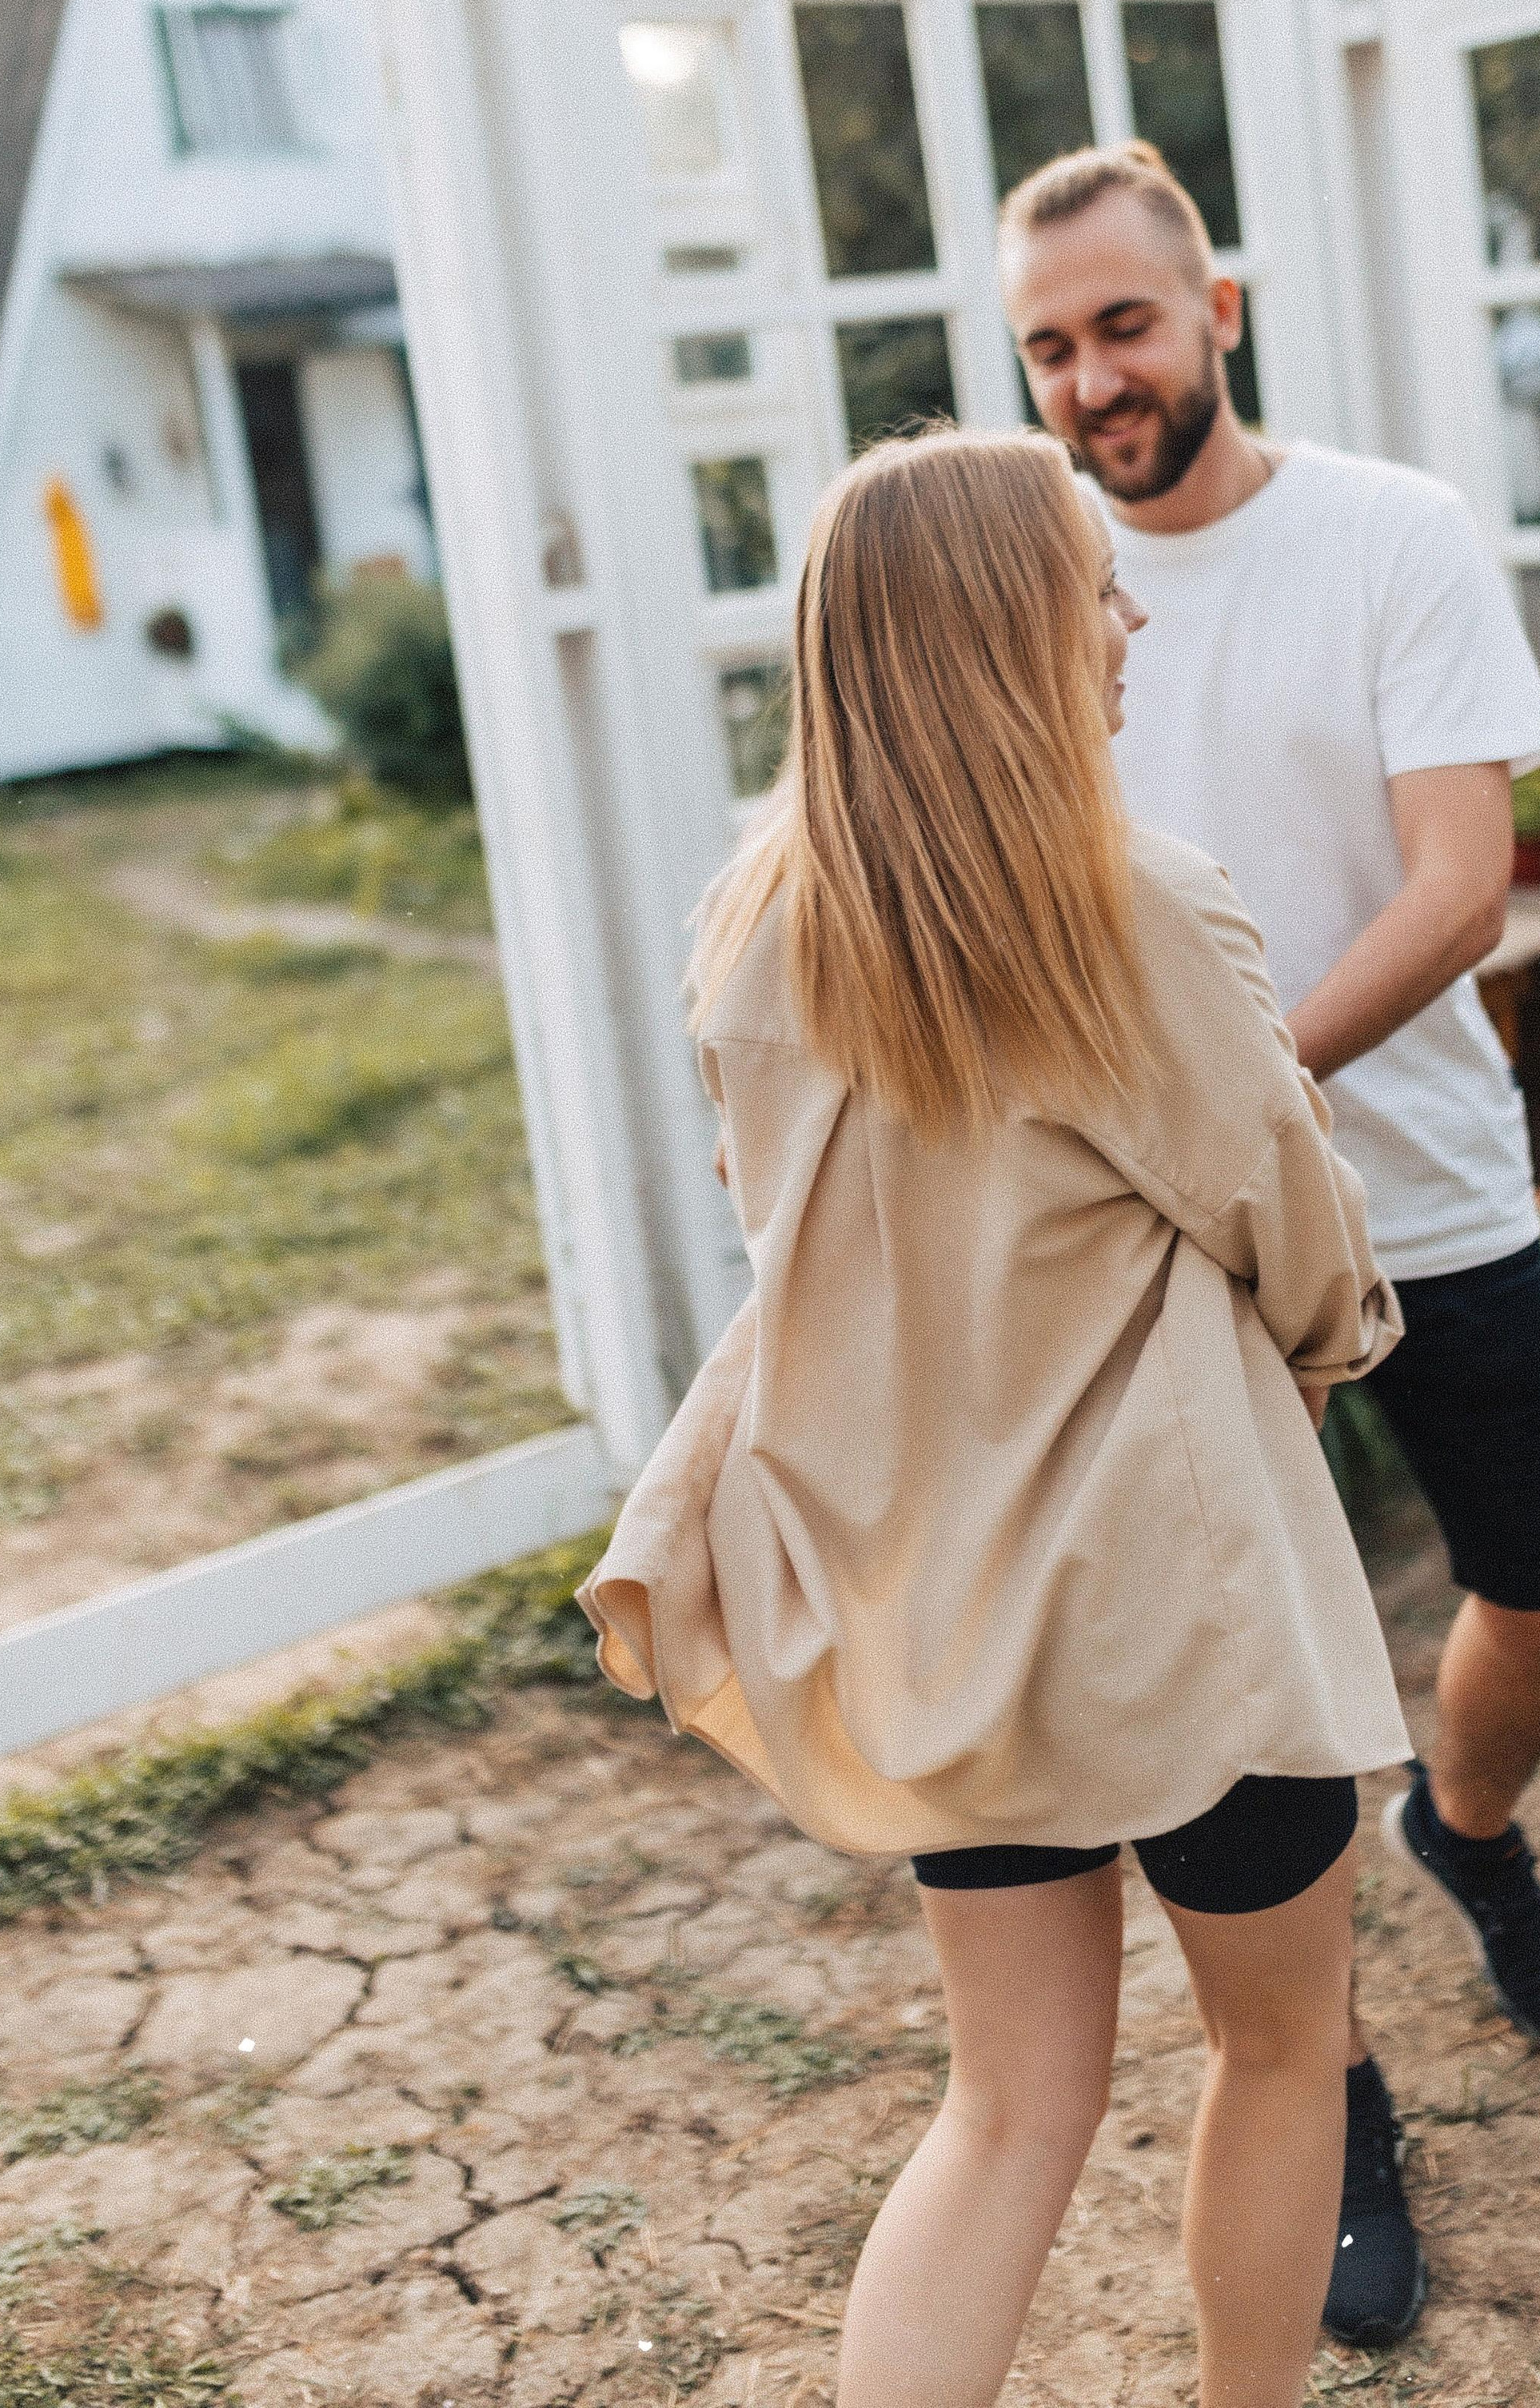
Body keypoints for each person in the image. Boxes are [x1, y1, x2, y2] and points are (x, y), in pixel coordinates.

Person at [586, 426, 1411, 2408]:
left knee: (1003, 2110)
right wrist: (1322, 1348)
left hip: (930, 1608)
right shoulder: (1136, 905)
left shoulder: (754, 931)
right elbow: (1286, 1218)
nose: (1127, 621)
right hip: (1177, 1602)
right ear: (1005, 628)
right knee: (1279, 2049)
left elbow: (787, 1233)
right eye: (1092, 586)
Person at [1000, 142, 1540, 2351]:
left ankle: (1473, 1830)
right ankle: (1327, 2092)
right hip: (1160, 1258)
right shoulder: (1030, 582)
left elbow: (1458, 887)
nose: (1093, 380)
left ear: (1219, 310)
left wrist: (1244, 1084)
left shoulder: (1389, 533)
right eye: (1049, 348)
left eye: (1124, 325)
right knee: (1266, 1717)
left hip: (1421, 1189)